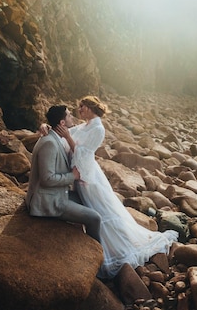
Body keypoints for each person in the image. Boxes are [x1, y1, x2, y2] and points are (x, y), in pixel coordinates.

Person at [54, 95, 178, 279]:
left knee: (102, 209)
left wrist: (68, 139)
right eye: (79, 107)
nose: (79, 110)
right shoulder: (86, 125)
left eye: (82, 106)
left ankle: (111, 248)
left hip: (89, 175)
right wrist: (50, 130)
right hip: (81, 174)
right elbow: (67, 134)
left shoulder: (98, 128)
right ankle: (98, 244)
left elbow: (84, 153)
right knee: (93, 208)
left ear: (90, 107)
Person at [26, 105, 102, 242]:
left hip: (55, 193)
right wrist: (73, 176)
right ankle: (100, 257)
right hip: (46, 201)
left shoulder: (55, 137)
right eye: (69, 115)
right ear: (62, 123)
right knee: (95, 218)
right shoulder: (50, 143)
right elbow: (47, 179)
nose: (72, 117)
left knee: (89, 202)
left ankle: (82, 244)